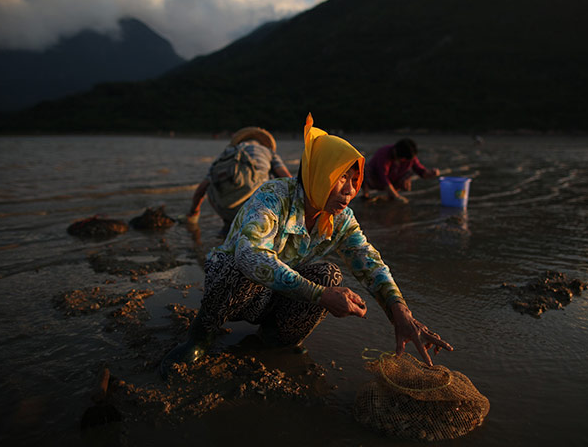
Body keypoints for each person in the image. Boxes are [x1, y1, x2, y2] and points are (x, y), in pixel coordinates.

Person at [160, 114, 452, 378]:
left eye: (354, 179)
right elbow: (251, 255)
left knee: (329, 275)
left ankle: (277, 339)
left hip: (278, 297)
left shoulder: (340, 218)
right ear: (319, 173)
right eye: (342, 178)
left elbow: (368, 260)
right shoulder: (273, 196)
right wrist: (321, 296)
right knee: (234, 262)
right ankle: (200, 336)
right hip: (237, 292)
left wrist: (400, 311)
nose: (351, 190)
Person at [186, 127, 292, 236]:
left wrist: (193, 212)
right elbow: (286, 177)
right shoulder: (267, 152)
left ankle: (228, 224)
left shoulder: (227, 153)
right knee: (273, 181)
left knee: (212, 185)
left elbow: (202, 188)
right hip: (256, 208)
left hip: (225, 208)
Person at [362, 138, 442, 203]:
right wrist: (397, 197)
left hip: (393, 179)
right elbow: (383, 178)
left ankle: (391, 196)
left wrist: (432, 173)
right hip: (375, 178)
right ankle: (366, 196)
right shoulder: (384, 154)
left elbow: (421, 171)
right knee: (364, 171)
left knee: (409, 172)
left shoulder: (410, 157)